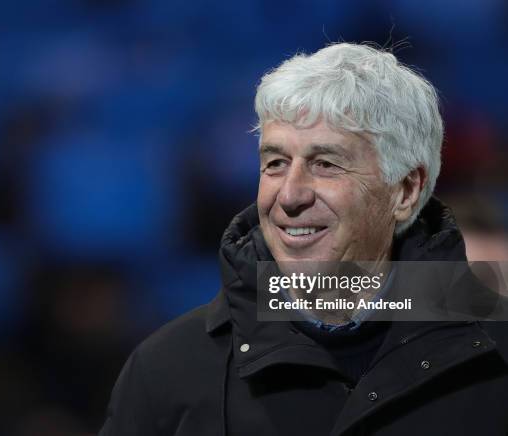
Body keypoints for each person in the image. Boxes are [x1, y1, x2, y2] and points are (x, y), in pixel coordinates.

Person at [98, 43, 508, 436]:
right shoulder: (166, 370)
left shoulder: (497, 356)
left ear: (405, 191)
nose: (290, 195)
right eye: (275, 163)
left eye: (326, 164)